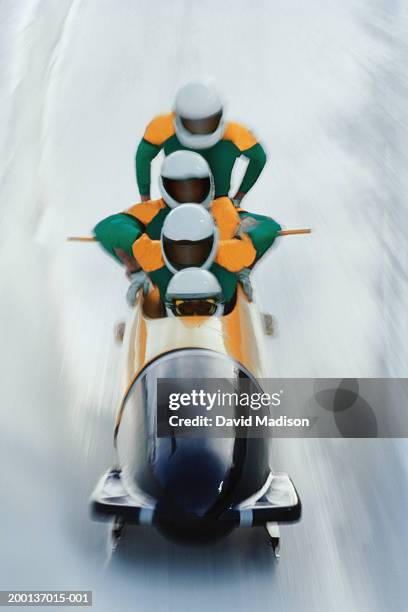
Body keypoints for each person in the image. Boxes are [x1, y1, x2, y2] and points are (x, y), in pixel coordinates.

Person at [135, 82, 267, 207]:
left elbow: (142, 156)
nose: (200, 129)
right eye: (193, 124)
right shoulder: (236, 133)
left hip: (185, 203)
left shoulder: (162, 126)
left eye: (207, 122)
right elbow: (259, 158)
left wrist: (145, 199)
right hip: (215, 204)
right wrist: (238, 197)